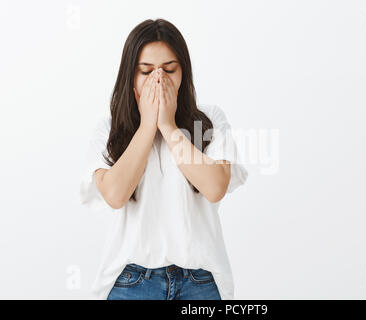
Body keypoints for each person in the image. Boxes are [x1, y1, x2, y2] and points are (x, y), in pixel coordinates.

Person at [79, 18, 248, 300]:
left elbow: (216, 187)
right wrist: (147, 126)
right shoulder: (108, 129)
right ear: (130, 76)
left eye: (169, 70)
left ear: (184, 73)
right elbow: (115, 195)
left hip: (200, 283)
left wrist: (168, 127)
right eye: (146, 71)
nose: (159, 79)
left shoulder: (209, 120)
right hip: (130, 283)